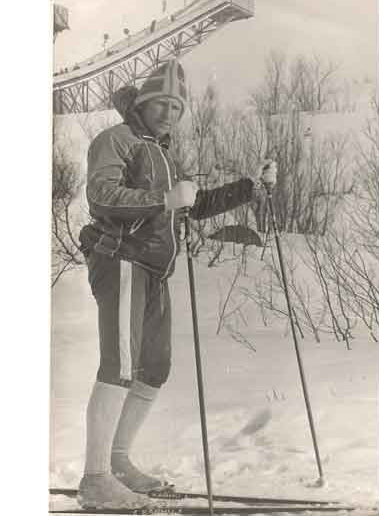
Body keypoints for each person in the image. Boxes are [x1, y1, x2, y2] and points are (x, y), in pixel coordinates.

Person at [76, 60, 270, 510]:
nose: (168, 114)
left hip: (155, 269)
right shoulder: (116, 140)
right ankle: (95, 477)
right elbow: (101, 194)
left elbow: (192, 206)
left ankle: (118, 462)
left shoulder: (162, 153)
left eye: (176, 108)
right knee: (120, 365)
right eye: (160, 104)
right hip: (121, 259)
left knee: (154, 368)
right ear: (142, 104)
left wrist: (251, 189)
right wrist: (162, 198)